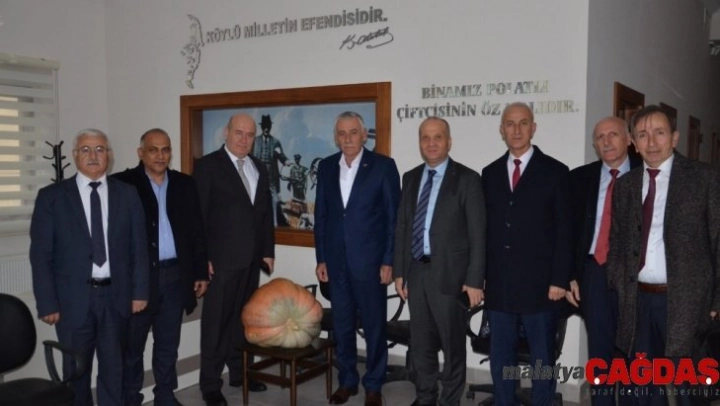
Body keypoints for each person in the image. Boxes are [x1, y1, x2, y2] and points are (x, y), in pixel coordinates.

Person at [608, 105, 720, 406]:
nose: (652, 142)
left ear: (675, 137)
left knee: (688, 389)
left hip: (686, 303)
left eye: (659, 133)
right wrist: (618, 281)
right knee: (644, 385)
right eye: (643, 135)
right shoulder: (627, 185)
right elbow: (617, 240)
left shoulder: (704, 179)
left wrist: (716, 301)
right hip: (638, 302)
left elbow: (718, 241)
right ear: (633, 142)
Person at [30, 129, 149, 406]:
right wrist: (47, 302)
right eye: (85, 149)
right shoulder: (52, 197)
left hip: (116, 298)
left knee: (114, 371)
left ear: (109, 155)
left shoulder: (127, 194)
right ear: (75, 156)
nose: (93, 155)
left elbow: (138, 247)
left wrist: (139, 292)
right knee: (75, 374)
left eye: (99, 149)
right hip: (72, 301)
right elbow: (41, 255)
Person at [482, 102, 571, 406]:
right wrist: (481, 277)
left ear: (533, 128)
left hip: (542, 286)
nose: (516, 130)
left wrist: (559, 279)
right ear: (502, 130)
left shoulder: (556, 172)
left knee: (542, 358)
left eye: (523, 123)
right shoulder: (490, 173)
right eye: (510, 124)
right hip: (500, 285)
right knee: (501, 357)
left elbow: (565, 231)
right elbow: (486, 231)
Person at [393, 116, 486, 406]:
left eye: (438, 137)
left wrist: (474, 280)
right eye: (425, 137)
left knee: (452, 345)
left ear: (449, 141)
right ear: (420, 142)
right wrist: (400, 272)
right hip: (416, 272)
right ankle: (425, 397)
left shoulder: (468, 179)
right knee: (421, 344)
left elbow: (478, 234)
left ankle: (450, 401)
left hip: (451, 276)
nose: (431, 143)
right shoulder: (410, 177)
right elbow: (403, 227)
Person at [112, 128, 209, 406]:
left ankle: (165, 395)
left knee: (168, 344)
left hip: (176, 276)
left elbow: (197, 232)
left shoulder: (184, 184)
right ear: (140, 153)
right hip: (139, 281)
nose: (160, 155)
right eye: (153, 150)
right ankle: (130, 398)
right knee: (132, 346)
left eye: (165, 149)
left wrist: (200, 272)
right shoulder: (122, 184)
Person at [314, 111, 400, 406]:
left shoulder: (383, 166)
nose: (348, 138)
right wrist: (321, 258)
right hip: (336, 263)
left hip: (372, 264)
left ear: (364, 135)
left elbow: (393, 219)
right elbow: (322, 216)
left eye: (353, 132)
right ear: (336, 137)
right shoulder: (326, 167)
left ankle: (374, 385)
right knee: (342, 325)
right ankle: (347, 381)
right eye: (342, 133)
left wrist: (389, 260)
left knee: (374, 326)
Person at [193, 113, 275, 406]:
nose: (244, 139)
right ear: (226, 132)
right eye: (239, 133)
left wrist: (267, 251)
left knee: (243, 321)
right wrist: (202, 259)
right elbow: (197, 217)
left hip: (251, 261)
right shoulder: (207, 167)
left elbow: (264, 213)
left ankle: (241, 373)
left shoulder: (258, 168)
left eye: (250, 135)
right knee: (215, 325)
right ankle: (210, 385)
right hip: (220, 263)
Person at [566, 117, 640, 406]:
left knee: (634, 354)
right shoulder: (579, 178)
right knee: (599, 353)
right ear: (595, 145)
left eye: (613, 135)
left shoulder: (647, 174)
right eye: (600, 137)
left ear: (628, 139)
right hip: (594, 273)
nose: (607, 142)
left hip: (635, 277)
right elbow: (568, 232)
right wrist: (571, 275)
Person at [252, 114, 290, 226]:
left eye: (268, 126)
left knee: (274, 200)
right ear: (261, 127)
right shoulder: (255, 141)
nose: (266, 128)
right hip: (256, 175)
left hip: (271, 176)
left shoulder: (275, 142)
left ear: (270, 127)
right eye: (264, 126)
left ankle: (274, 225)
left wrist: (285, 161)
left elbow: (281, 155)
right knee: (255, 200)